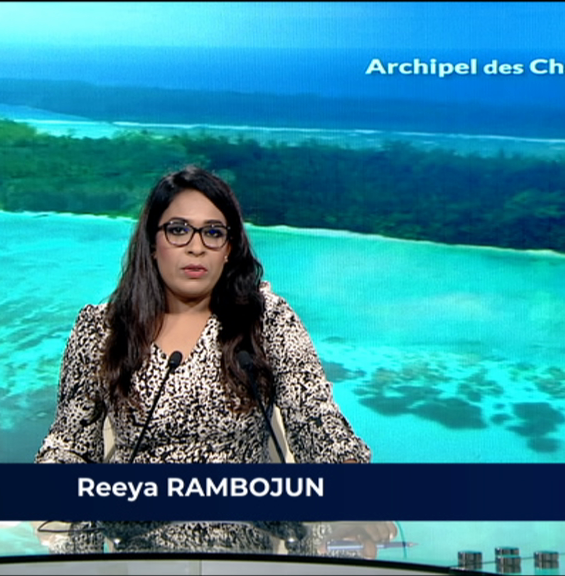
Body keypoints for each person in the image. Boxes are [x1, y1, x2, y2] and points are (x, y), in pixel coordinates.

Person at [32, 166, 389, 557]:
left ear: (229, 248)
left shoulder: (266, 319)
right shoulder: (102, 329)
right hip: (135, 547)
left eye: (213, 233)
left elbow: (317, 424)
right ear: (151, 242)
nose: (196, 247)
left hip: (248, 544)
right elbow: (70, 446)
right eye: (178, 230)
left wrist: (353, 493)